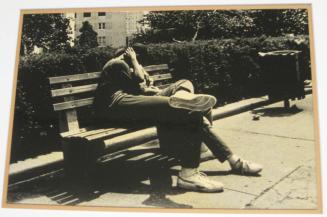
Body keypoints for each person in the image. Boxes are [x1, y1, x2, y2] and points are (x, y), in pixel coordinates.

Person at [93, 47, 263, 193]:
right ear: (127, 54)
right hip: (116, 104)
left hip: (131, 104)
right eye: (133, 56)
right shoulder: (117, 63)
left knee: (184, 83)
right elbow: (137, 86)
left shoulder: (126, 66)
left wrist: (149, 86)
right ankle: (212, 168)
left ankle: (182, 95)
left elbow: (140, 87)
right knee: (189, 111)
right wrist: (136, 65)